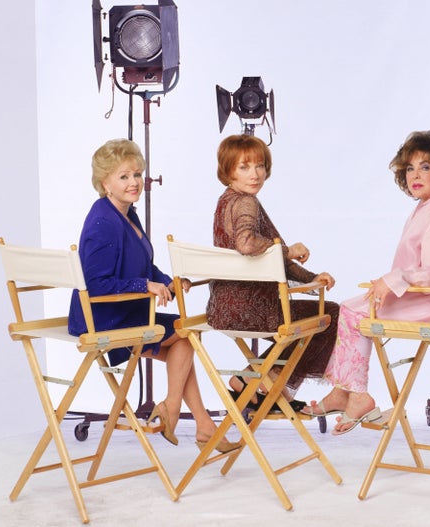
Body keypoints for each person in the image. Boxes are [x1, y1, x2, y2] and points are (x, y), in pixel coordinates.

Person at [303, 129, 430, 435]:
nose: (415, 175)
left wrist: (395, 279)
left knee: (351, 312)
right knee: (353, 307)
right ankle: (343, 391)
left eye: (425, 167)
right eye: (410, 168)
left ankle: (357, 395)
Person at [68, 138, 240, 453]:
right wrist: (143, 286)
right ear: (104, 182)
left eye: (136, 174)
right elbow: (94, 284)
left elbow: (144, 265)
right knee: (186, 334)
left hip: (126, 311)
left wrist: (169, 281)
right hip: (103, 317)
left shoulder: (125, 213)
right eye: (123, 176)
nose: (134, 182)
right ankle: (179, 413)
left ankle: (196, 422)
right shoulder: (103, 222)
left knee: (187, 336)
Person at [207, 134, 339, 409]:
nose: (255, 174)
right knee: (330, 313)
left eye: (259, 166)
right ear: (228, 170)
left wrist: (311, 278)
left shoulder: (225, 201)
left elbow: (269, 258)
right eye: (244, 167)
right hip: (251, 309)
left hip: (222, 308)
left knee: (313, 318)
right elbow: (247, 244)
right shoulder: (245, 202)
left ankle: (251, 380)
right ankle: (268, 380)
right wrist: (289, 250)